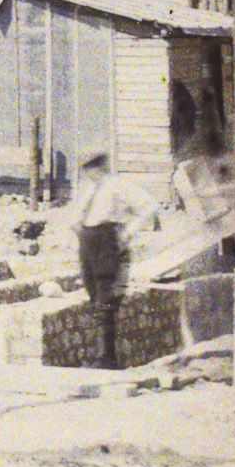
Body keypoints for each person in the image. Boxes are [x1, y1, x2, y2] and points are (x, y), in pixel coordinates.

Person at [75, 152, 155, 369]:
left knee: (105, 297)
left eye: (93, 167)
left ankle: (107, 358)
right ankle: (99, 354)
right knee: (92, 294)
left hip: (106, 239)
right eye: (86, 168)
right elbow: (77, 216)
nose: (90, 172)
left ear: (102, 166)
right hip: (87, 241)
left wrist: (127, 233)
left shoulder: (118, 185)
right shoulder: (87, 189)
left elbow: (148, 206)